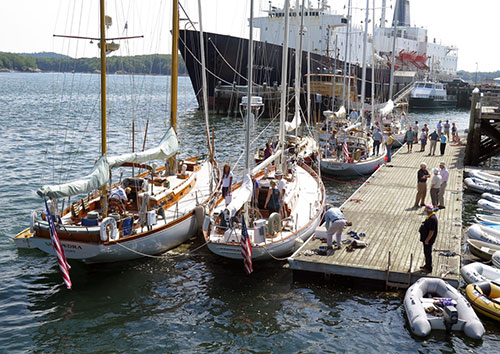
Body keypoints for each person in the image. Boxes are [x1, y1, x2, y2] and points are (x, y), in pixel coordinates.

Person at [419, 205, 438, 274]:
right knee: (426, 252)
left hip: (428, 239)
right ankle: (426, 265)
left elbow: (431, 231)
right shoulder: (430, 217)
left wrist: (427, 240)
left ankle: (428, 268)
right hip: (426, 238)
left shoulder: (432, 219)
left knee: (427, 253)